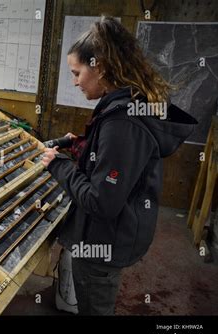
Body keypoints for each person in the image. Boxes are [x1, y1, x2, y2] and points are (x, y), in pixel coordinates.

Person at [42, 15, 197, 315]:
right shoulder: (128, 103)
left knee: (95, 308)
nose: (74, 81)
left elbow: (102, 201)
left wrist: (58, 165)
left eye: (76, 72)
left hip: (103, 245)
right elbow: (114, 160)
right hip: (121, 235)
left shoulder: (123, 122)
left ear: (98, 67)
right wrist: (80, 146)